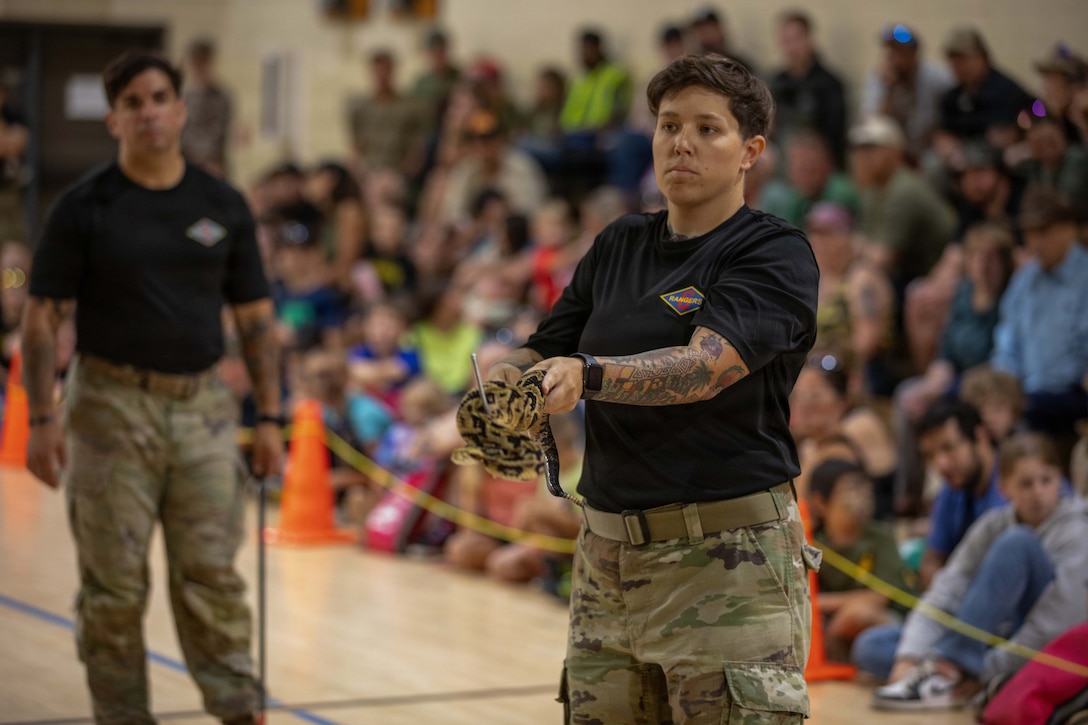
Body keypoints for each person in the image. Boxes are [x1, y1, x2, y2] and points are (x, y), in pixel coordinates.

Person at [487, 54, 819, 723]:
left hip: (728, 563)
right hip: (605, 561)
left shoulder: (773, 252)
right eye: (669, 125)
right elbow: (548, 346)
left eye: (707, 129)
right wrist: (502, 382)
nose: (682, 143)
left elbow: (705, 367)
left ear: (751, 150)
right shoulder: (620, 242)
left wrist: (589, 375)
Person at [21, 50, 282, 725]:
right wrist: (42, 418)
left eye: (159, 96)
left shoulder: (220, 204)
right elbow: (42, 318)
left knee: (212, 577)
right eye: (132, 101)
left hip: (202, 410)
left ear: (181, 108)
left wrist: (274, 418)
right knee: (113, 590)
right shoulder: (83, 208)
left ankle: (236, 706)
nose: (148, 111)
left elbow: (256, 319)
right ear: (114, 118)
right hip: (109, 408)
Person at [865, 433, 1087, 710]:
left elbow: (1051, 628)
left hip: (1037, 649)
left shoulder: (1078, 528)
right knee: (871, 646)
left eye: (1047, 480)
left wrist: (981, 670)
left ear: (1059, 478)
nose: (1039, 492)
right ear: (1005, 487)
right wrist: (906, 659)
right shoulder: (992, 524)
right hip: (986, 642)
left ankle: (950, 671)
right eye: (1026, 484)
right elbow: (946, 590)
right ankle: (944, 672)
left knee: (1018, 541)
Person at [808, 459, 912, 662]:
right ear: (821, 503)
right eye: (852, 489)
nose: (864, 496)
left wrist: (818, 603)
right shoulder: (811, 542)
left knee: (856, 615)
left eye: (867, 488)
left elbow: (880, 596)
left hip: (891, 620)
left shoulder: (880, 536)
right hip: (830, 622)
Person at [180, 38, 232, 177]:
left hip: (212, 165)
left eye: (202, 61)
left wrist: (208, 161)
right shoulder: (184, 97)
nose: (198, 66)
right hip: (186, 163)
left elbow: (218, 133)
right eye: (196, 61)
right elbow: (181, 132)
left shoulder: (221, 97)